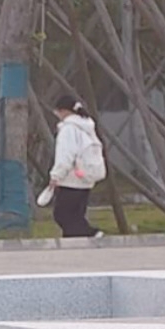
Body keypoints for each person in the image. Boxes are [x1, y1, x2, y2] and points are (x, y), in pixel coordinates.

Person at [48, 93, 107, 239]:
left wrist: (56, 175)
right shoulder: (87, 127)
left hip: (71, 179)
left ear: (63, 111)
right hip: (86, 177)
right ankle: (74, 242)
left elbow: (65, 155)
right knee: (76, 215)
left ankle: (92, 234)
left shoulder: (68, 129)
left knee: (62, 215)